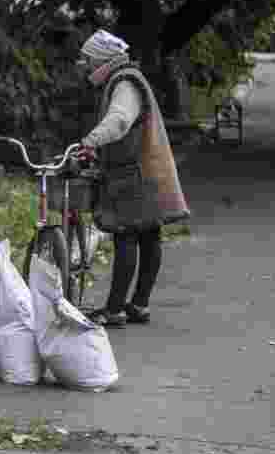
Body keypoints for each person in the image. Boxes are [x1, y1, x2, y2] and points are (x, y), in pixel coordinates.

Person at [74, 30, 191, 326]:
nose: (85, 65)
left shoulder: (124, 82)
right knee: (150, 235)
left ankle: (114, 310)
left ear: (100, 59)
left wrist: (91, 140)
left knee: (126, 234)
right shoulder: (129, 77)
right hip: (148, 169)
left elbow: (120, 120)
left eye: (87, 59)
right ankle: (139, 305)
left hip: (134, 173)